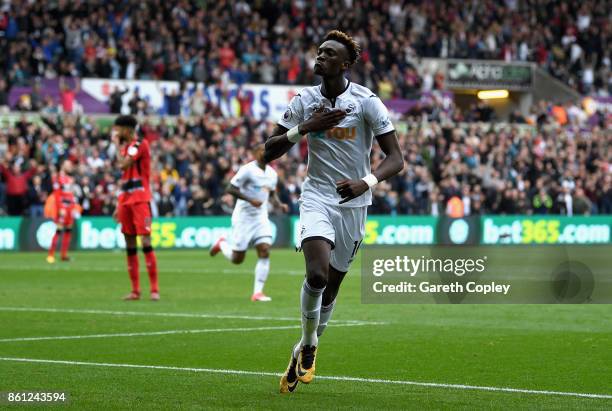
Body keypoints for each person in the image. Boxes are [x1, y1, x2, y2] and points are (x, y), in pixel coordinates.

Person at [264, 30, 404, 393]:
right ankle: (310, 344)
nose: (321, 56)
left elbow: (396, 159)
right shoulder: (304, 100)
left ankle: (301, 349)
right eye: (320, 51)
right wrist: (305, 129)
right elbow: (269, 150)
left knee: (331, 289)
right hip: (317, 197)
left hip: (354, 203)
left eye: (329, 54)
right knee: (317, 274)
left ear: (345, 64)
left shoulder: (367, 102)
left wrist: (366, 181)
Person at [210, 144, 289, 302]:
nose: (264, 153)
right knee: (237, 259)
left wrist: (279, 204)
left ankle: (257, 292)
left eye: (266, 150)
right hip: (243, 217)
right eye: (261, 150)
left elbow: (272, 193)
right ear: (254, 153)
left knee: (265, 250)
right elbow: (230, 188)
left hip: (261, 217)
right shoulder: (247, 170)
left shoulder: (272, 174)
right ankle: (222, 244)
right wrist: (249, 200)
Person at [111, 115, 159, 301]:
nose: (116, 132)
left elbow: (123, 165)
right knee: (130, 244)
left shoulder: (140, 144)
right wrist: (118, 203)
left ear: (127, 129)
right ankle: (135, 290)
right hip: (125, 200)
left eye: (118, 129)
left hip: (140, 200)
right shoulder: (126, 148)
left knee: (145, 243)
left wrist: (115, 146)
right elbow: (124, 179)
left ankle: (154, 290)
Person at [46, 160, 79, 263]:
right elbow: (57, 194)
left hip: (70, 207)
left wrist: (74, 206)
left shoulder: (69, 178)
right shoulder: (58, 178)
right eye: (68, 164)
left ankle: (64, 255)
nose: (70, 166)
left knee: (68, 230)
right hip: (63, 208)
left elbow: (70, 194)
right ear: (62, 165)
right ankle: (50, 254)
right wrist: (60, 208)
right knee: (59, 230)